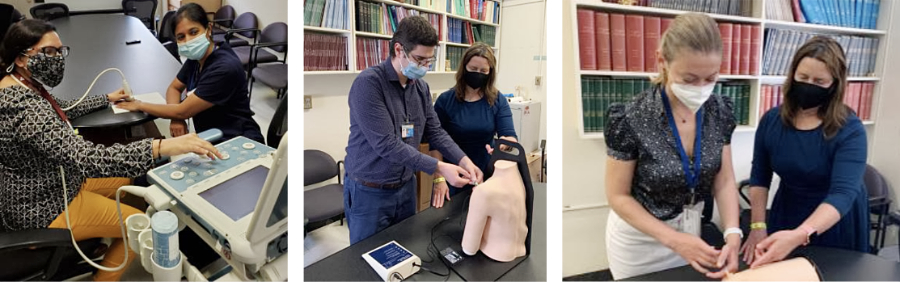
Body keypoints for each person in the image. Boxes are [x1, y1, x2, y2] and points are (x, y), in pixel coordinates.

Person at [0, 19, 222, 281]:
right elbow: (87, 157)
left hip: (55, 181)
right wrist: (160, 146)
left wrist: (106, 99)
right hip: (43, 206)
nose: (58, 59)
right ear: (23, 57)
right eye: (49, 52)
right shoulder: (23, 107)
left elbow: (61, 108)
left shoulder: (19, 83)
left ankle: (102, 234)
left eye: (61, 51)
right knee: (143, 224)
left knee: (130, 182)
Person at [603, 13, 741, 279]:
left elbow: (724, 180)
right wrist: (673, 239)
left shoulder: (720, 112)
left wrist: (732, 232)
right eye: (689, 79)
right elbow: (618, 196)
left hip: (692, 235)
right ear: (662, 61)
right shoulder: (632, 117)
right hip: (640, 242)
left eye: (710, 78)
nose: (701, 88)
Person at [344, 16, 482, 244]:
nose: (424, 67)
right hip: (370, 191)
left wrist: (463, 160)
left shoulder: (421, 88)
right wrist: (438, 167)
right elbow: (387, 145)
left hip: (406, 186)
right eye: (419, 59)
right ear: (399, 50)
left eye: (429, 61)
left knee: (403, 249)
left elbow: (436, 132)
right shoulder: (368, 84)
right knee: (366, 259)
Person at [740, 36, 868, 268]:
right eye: (803, 77)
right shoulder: (772, 120)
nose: (809, 85)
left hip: (835, 220)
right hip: (788, 211)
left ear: (834, 85)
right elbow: (760, 175)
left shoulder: (850, 128)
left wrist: (801, 234)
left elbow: (842, 193)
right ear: (792, 76)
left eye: (819, 81)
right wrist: (758, 226)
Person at [115, 3, 264, 144]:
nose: (188, 40)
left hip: (236, 140)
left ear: (209, 29)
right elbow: (174, 88)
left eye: (193, 32)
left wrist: (140, 105)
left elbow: (182, 111)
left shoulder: (224, 68)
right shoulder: (197, 58)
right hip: (211, 136)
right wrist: (176, 118)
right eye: (181, 37)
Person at [430, 43, 517, 208]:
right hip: (452, 177)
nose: (478, 74)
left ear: (490, 72)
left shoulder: (497, 100)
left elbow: (509, 134)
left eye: (483, 71)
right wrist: (439, 178)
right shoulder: (445, 100)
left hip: (486, 177)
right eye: (473, 69)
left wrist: (504, 146)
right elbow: (435, 143)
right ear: (464, 68)